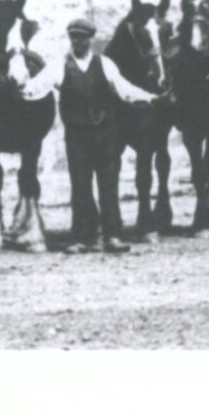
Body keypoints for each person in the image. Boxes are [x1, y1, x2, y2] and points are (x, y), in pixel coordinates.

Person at [34, 15, 162, 253]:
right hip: (77, 137)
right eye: (74, 38)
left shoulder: (105, 64)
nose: (78, 43)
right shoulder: (60, 66)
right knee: (80, 185)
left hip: (106, 134)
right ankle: (82, 238)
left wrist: (150, 97)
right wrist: (21, 90)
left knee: (108, 185)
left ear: (90, 40)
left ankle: (112, 236)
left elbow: (124, 89)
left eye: (82, 39)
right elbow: (38, 86)